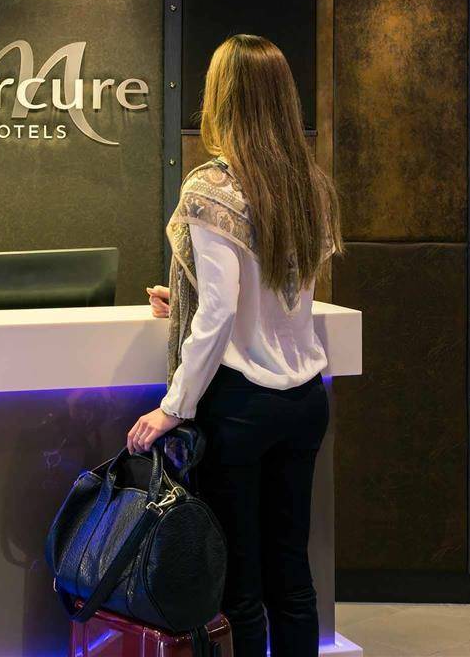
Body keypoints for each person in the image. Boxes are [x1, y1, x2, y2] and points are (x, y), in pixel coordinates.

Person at [127, 34, 343, 657]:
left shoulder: (211, 189)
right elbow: (278, 292)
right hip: (305, 401)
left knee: (241, 589)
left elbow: (221, 312)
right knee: (291, 577)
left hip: (241, 407)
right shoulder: (308, 184)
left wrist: (174, 405)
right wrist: (185, 298)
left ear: (222, 97)